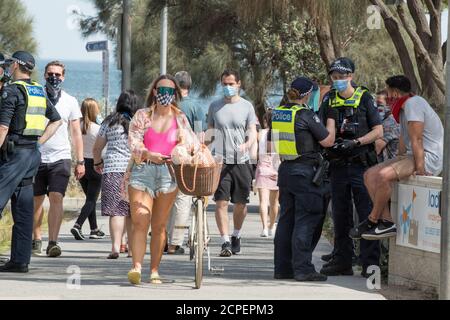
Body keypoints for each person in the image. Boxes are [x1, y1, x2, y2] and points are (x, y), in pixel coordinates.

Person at [126, 75, 197, 285]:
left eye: (169, 91)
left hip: (168, 174)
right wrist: (148, 154)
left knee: (158, 226)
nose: (164, 95)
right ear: (154, 91)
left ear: (174, 94)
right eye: (161, 90)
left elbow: (190, 142)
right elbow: (133, 140)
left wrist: (180, 150)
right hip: (142, 171)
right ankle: (136, 267)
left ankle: (154, 270)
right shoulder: (142, 115)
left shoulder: (180, 118)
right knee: (140, 219)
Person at [356, 75, 443, 240]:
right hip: (413, 154)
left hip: (428, 156)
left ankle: (372, 220)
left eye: (388, 91)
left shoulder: (413, 104)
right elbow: (404, 137)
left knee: (383, 176)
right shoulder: (404, 107)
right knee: (370, 175)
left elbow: (417, 139)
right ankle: (386, 222)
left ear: (395, 93)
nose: (386, 96)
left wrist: (421, 169)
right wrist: (397, 159)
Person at [318, 57, 383, 278]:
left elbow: (378, 131)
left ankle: (370, 264)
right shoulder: (329, 99)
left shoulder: (364, 97)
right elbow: (324, 130)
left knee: (366, 214)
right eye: (334, 77)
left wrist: (356, 142)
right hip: (338, 166)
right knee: (340, 214)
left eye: (341, 77)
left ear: (351, 76)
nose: (337, 81)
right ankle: (343, 260)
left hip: (361, 165)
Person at [0, 51, 62, 272]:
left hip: (15, 155)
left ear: (17, 65)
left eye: (10, 65)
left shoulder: (12, 90)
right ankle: (19, 261)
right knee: (24, 209)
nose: (8, 68)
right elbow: (56, 121)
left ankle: (17, 260)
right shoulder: (37, 90)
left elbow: (3, 127)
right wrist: (38, 142)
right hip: (31, 155)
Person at [272, 76, 336, 281]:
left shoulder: (278, 113)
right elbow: (327, 140)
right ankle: (303, 269)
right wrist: (331, 120)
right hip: (305, 172)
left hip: (286, 171)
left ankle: (283, 268)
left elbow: (272, 140)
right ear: (308, 94)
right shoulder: (305, 114)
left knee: (286, 221)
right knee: (306, 220)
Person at [32, 61, 85, 257]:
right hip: (36, 156)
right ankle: (36, 239)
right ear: (44, 75)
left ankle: (53, 242)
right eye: (50, 73)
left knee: (56, 197)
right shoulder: (36, 96)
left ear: (63, 77)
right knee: (36, 200)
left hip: (61, 157)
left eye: (58, 74)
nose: (54, 77)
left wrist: (80, 161)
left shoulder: (70, 101)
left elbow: (76, 133)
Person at [207, 69, 258, 257]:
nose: (227, 87)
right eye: (224, 84)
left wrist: (248, 144)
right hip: (220, 161)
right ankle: (225, 241)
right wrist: (200, 148)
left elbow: (253, 130)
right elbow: (210, 131)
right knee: (221, 202)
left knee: (240, 204)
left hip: (242, 162)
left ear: (239, 84)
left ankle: (236, 234)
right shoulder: (214, 106)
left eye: (231, 84)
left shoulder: (247, 106)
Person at [93, 91, 138, 259]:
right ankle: (133, 250)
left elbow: (97, 148)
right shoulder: (138, 123)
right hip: (134, 170)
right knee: (132, 212)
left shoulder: (109, 122)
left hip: (112, 169)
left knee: (116, 211)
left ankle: (115, 248)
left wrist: (98, 163)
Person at [166, 71, 207, 255]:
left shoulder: (167, 105)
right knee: (183, 198)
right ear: (189, 86)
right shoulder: (195, 107)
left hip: (165, 155)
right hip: (185, 157)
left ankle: (163, 239)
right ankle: (175, 242)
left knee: (166, 197)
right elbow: (199, 136)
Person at [70, 98, 105, 240]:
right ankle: (77, 225)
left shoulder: (79, 128)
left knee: (89, 199)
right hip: (95, 164)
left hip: (82, 164)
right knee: (92, 200)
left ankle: (94, 229)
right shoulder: (98, 129)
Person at [255, 110, 280, 237]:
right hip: (276, 170)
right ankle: (271, 226)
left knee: (263, 202)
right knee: (274, 202)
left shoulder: (260, 134)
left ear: (265, 121)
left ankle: (264, 228)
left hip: (262, 170)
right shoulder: (279, 134)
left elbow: (255, 152)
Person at [375, 90, 400, 162]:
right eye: (374, 104)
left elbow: (377, 147)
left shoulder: (391, 121)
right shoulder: (383, 120)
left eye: (379, 104)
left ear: (390, 105)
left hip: (390, 166)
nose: (376, 107)